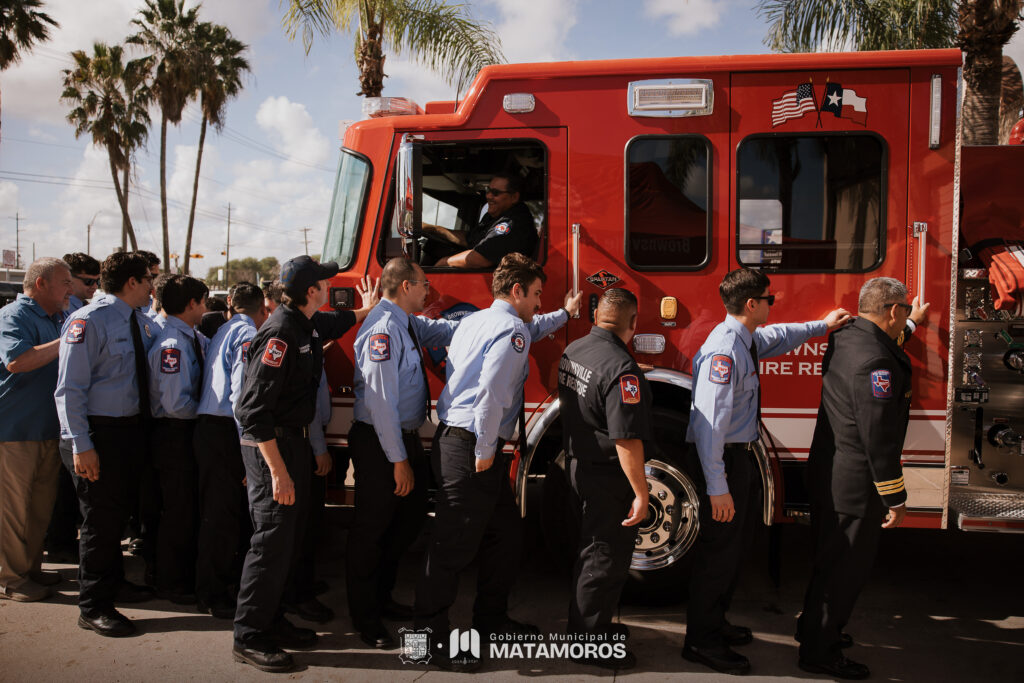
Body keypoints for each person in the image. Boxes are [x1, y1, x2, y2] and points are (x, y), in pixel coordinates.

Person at [414, 253, 581, 671]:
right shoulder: (511, 331)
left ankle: (490, 620)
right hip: (472, 446)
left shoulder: (478, 321)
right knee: (451, 547)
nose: (540, 302)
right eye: (538, 294)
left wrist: (565, 313)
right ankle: (426, 641)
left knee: (505, 534)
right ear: (517, 290)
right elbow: (491, 394)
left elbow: (532, 326)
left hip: (460, 441)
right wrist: (486, 451)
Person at [683, 268, 849, 675]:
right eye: (769, 299)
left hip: (737, 458)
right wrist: (717, 487)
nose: (773, 304)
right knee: (717, 555)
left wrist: (819, 327)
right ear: (752, 304)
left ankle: (715, 623)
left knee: (733, 550)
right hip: (724, 461)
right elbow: (709, 426)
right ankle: (700, 642)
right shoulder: (725, 351)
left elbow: (778, 338)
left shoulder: (745, 339)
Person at [232, 256, 370, 672]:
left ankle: (272, 621)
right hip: (273, 449)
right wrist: (277, 471)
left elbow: (336, 323)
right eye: (324, 282)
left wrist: (370, 306)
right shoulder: (279, 334)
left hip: (293, 446)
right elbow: (252, 412)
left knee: (286, 543)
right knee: (270, 543)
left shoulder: (304, 322)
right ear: (312, 291)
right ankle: (249, 635)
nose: (330, 287)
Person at [796, 278, 918, 680]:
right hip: (853, 483)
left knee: (829, 559)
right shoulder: (875, 362)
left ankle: (812, 629)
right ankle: (820, 652)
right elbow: (878, 438)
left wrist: (913, 324)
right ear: (892, 311)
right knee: (845, 569)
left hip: (828, 471)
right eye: (903, 314)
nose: (902, 321)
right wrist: (895, 496)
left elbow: (884, 343)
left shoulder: (847, 337)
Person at [347, 257, 463, 649]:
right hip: (381, 443)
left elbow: (447, 328)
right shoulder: (383, 329)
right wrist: (398, 461)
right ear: (405, 286)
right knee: (372, 530)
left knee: (408, 521)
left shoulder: (407, 322)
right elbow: (380, 404)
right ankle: (365, 618)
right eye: (424, 284)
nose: (429, 291)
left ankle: (381, 596)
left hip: (404, 439)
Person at [54, 251, 158, 637]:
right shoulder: (88, 321)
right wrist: (82, 445)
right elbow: (69, 390)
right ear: (132, 282)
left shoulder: (138, 321)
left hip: (128, 431)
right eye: (147, 279)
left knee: (116, 515)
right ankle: (93, 604)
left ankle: (113, 584)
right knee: (99, 520)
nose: (152, 285)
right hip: (96, 435)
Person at [558, 288, 650, 670]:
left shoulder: (575, 349)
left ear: (597, 317)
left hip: (579, 465)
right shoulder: (622, 369)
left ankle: (588, 628)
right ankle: (588, 642)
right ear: (633, 322)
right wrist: (642, 493)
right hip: (606, 475)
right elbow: (626, 439)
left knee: (590, 550)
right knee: (604, 557)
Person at [0, 258, 72, 602]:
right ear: (41, 284)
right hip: (14, 429)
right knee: (13, 510)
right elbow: (17, 361)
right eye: (64, 281)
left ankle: (29, 569)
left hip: (47, 428)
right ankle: (10, 580)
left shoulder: (58, 317)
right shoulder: (14, 316)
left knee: (40, 507)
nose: (69, 288)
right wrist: (68, 341)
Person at [194, 282, 267, 619]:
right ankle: (214, 593)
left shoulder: (224, 328)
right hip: (227, 432)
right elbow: (242, 396)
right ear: (262, 307)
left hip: (211, 428)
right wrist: (247, 450)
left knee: (217, 514)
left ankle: (215, 587)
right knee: (223, 517)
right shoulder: (247, 335)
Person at [147, 274, 208, 603]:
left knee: (184, 508)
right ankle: (171, 582)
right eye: (203, 301)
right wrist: (209, 412)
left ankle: (177, 574)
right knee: (177, 511)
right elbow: (174, 404)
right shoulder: (173, 346)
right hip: (175, 433)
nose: (206, 308)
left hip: (182, 432)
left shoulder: (189, 337)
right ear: (191, 304)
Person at [47, 253, 100, 562]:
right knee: (66, 490)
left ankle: (61, 540)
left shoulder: (80, 310)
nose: (93, 287)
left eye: (96, 282)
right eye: (86, 281)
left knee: (66, 489)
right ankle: (59, 542)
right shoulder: (79, 316)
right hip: (63, 416)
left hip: (67, 416)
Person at [426, 174, 538, 269]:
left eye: (495, 193)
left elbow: (480, 258)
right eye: (488, 190)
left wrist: (444, 262)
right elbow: (471, 239)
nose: (488, 196)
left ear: (514, 197)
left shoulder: (514, 221)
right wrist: (435, 229)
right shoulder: (494, 216)